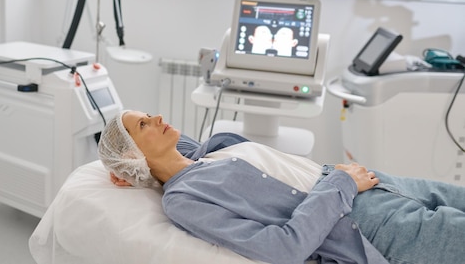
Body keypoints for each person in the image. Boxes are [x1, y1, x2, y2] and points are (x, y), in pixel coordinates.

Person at [98, 110, 465, 264]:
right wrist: (340, 181)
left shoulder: (204, 154)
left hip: (381, 186)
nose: (158, 117)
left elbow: (175, 152)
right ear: (132, 159)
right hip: (369, 227)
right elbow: (283, 248)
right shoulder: (183, 199)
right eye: (144, 124)